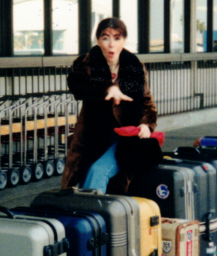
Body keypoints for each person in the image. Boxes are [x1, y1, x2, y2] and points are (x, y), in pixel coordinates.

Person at [61, 17, 157, 193]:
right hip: (93, 136)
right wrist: (107, 89)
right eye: (105, 37)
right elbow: (77, 85)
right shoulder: (86, 63)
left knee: (99, 171)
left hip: (125, 137)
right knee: (83, 180)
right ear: (98, 40)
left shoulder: (134, 66)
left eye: (117, 38)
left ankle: (93, 217)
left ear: (124, 40)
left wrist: (146, 125)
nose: (111, 44)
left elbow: (147, 103)